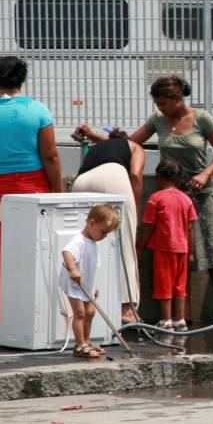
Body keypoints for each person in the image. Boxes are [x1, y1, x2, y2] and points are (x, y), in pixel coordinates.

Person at [77, 76, 213, 321]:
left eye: (164, 103)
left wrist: (205, 173)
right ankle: (183, 312)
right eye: (157, 104)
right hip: (173, 194)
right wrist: (93, 136)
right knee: (178, 251)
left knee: (212, 251)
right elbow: (129, 143)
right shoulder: (158, 120)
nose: (161, 108)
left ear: (177, 98)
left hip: (199, 193)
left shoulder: (201, 118)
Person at [0, 56, 63, 328]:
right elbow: (51, 156)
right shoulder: (38, 110)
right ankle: (35, 316)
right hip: (33, 184)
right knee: (36, 249)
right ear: (22, 79)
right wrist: (58, 192)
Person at [71, 129, 146, 324]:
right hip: (112, 178)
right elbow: (136, 176)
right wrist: (135, 213)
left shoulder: (99, 148)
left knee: (84, 243)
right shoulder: (134, 146)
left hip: (81, 181)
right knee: (125, 244)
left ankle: (82, 306)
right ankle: (127, 309)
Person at [136, 160, 197, 331]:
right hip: (183, 249)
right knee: (180, 285)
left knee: (164, 285)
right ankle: (180, 319)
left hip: (164, 248)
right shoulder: (186, 200)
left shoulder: (155, 199)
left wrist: (140, 247)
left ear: (159, 177)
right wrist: (191, 252)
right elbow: (190, 228)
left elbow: (148, 227)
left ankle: (166, 320)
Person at [58, 204, 121, 359]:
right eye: (103, 232)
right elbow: (67, 253)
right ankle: (80, 345)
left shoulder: (93, 243)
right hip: (75, 284)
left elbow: (91, 267)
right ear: (91, 223)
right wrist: (73, 269)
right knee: (80, 313)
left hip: (87, 284)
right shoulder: (79, 240)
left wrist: (95, 285)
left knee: (90, 312)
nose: (104, 236)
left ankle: (86, 340)